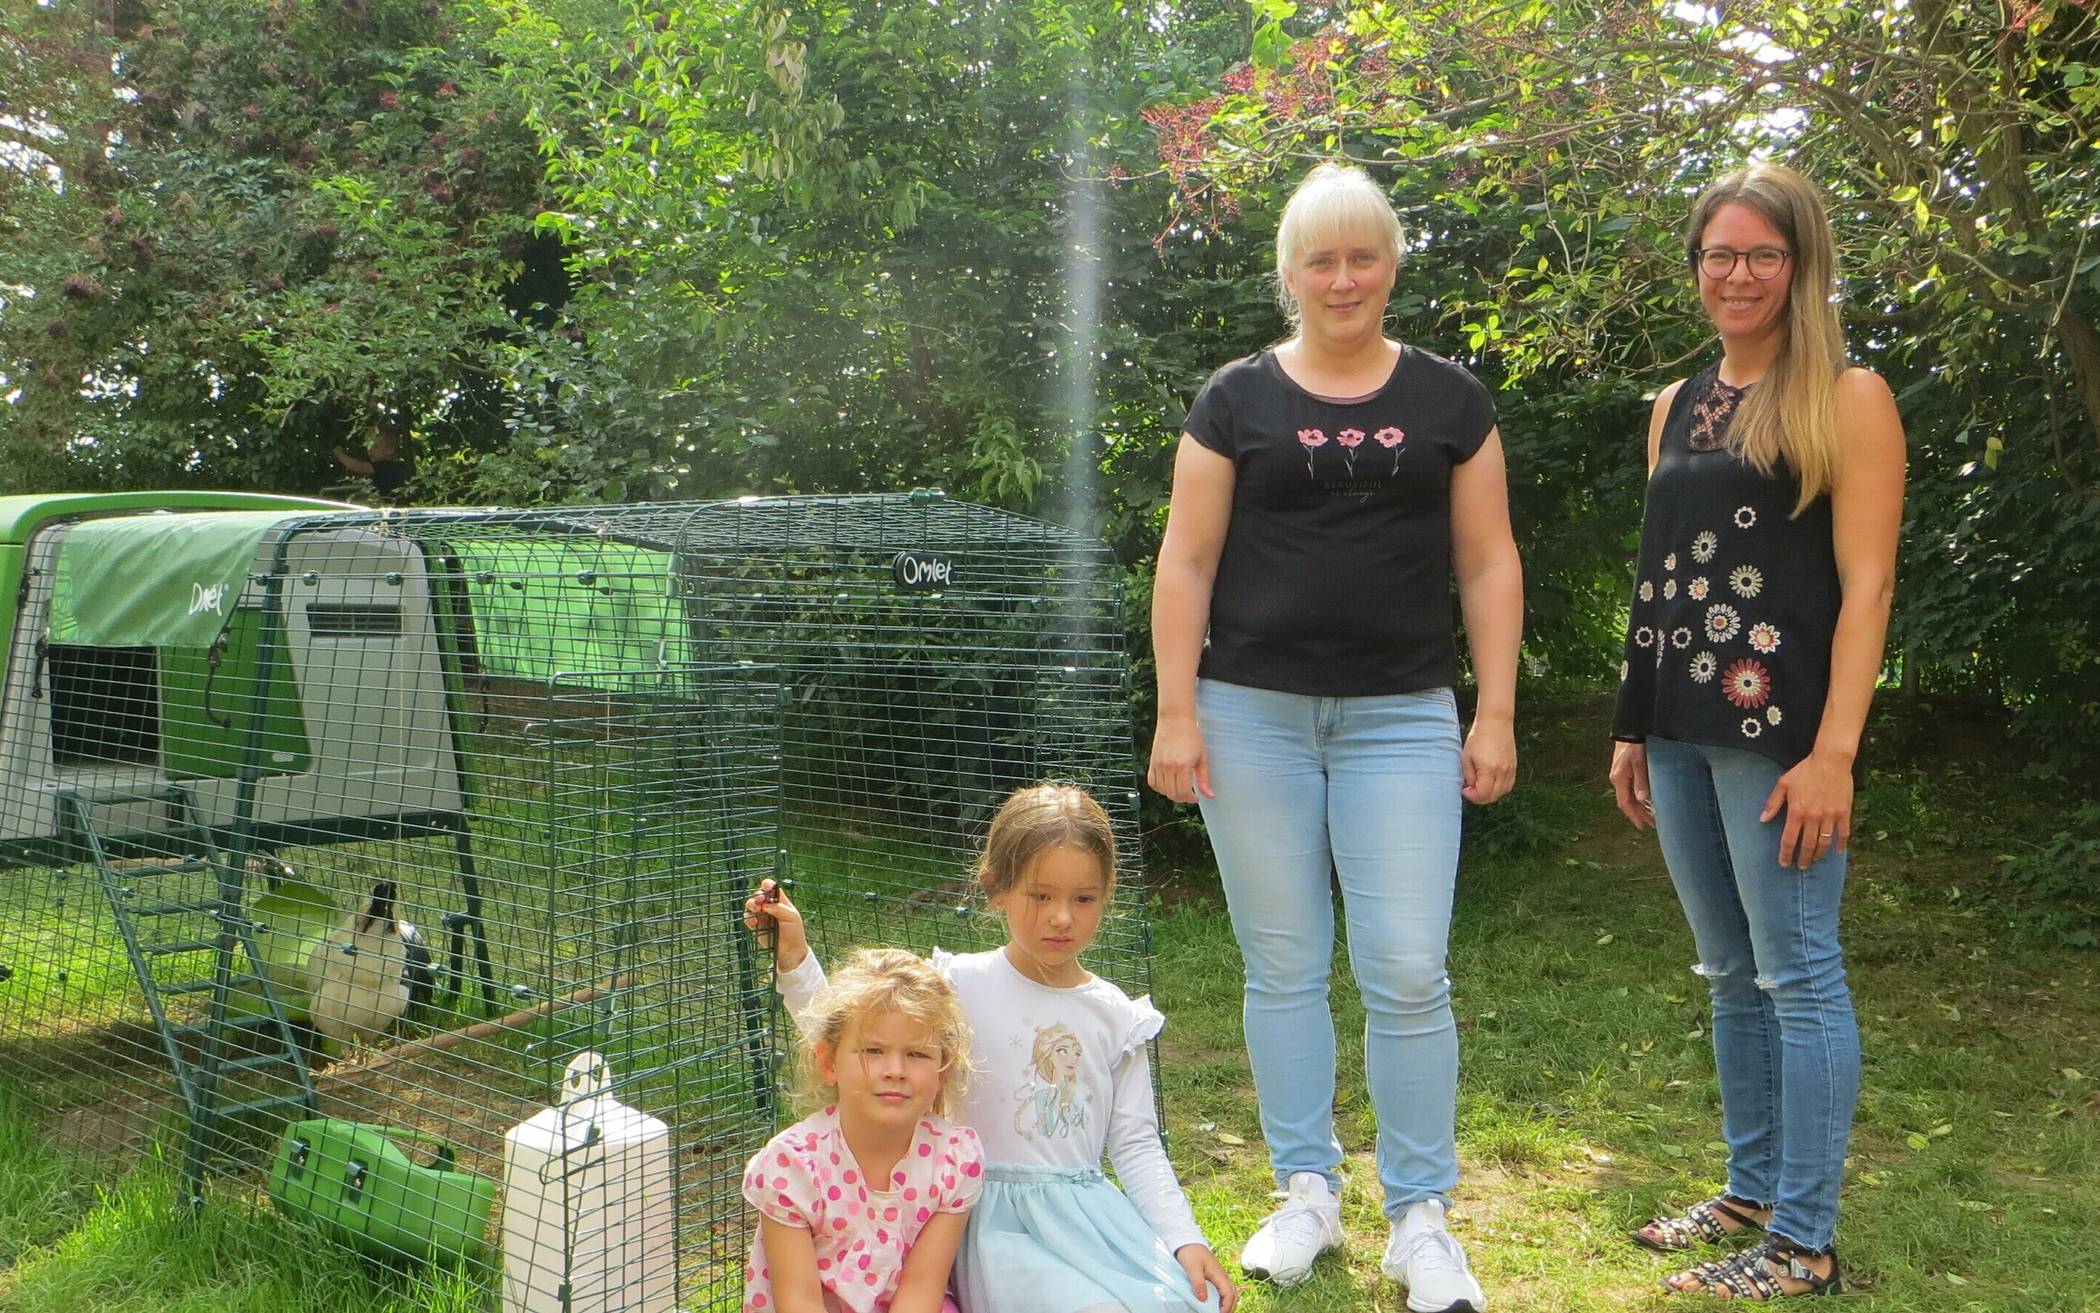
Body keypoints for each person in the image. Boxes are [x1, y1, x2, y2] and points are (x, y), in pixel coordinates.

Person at [1147, 161, 1522, 1313]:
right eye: (1322, 258)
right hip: (1247, 715)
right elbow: (1187, 558)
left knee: (1408, 967)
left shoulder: (1453, 402)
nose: (1344, 277)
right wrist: (1175, 708)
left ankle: (1421, 1213)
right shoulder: (1235, 400)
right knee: (1284, 965)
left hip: (1402, 715)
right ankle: (1306, 1187)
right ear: (1291, 273)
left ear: (1391, 266)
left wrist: (1495, 708)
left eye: (1363, 256)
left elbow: (1488, 559)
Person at [1608, 162, 1905, 1299]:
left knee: (1798, 972)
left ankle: (1804, 1241)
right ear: (1697, 268)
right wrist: (1635, 723)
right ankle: (1750, 1190)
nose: (1738, 274)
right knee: (1730, 969)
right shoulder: (1673, 406)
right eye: (1719, 254)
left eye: (1762, 255)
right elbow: (1663, 579)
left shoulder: (1847, 396)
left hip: (1779, 737)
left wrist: (1833, 751)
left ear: (1800, 265)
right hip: (1679, 727)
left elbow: (1866, 586)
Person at [746, 783, 1237, 1313]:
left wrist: (1187, 1240)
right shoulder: (958, 983)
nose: (1062, 917)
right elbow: (856, 1035)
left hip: (1082, 1220)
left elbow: (1136, 1144)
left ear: (1107, 895)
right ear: (996, 887)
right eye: (1041, 895)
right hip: (980, 1221)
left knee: (1184, 1306)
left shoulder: (1116, 1015)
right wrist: (795, 960)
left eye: (1083, 899)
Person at [739, 947, 984, 1313]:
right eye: (873, 1050)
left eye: (917, 1054)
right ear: (828, 1062)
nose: (895, 1070)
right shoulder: (791, 1166)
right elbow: (798, 1301)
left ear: (942, 1071)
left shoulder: (955, 1160)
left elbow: (922, 1289)